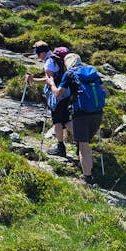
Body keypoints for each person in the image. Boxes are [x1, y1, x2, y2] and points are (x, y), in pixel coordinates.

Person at [47, 53, 108, 185]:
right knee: (84, 143)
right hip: (97, 113)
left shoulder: (69, 74)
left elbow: (58, 94)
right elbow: (105, 92)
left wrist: (51, 83)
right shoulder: (93, 72)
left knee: (83, 146)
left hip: (81, 114)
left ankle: (87, 178)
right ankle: (88, 170)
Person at [25, 41, 72, 157]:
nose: (37, 56)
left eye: (37, 53)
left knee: (57, 120)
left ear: (41, 53)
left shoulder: (49, 62)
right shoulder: (58, 59)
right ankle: (82, 141)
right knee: (66, 119)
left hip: (57, 94)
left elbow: (49, 80)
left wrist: (33, 80)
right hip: (67, 92)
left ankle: (60, 147)